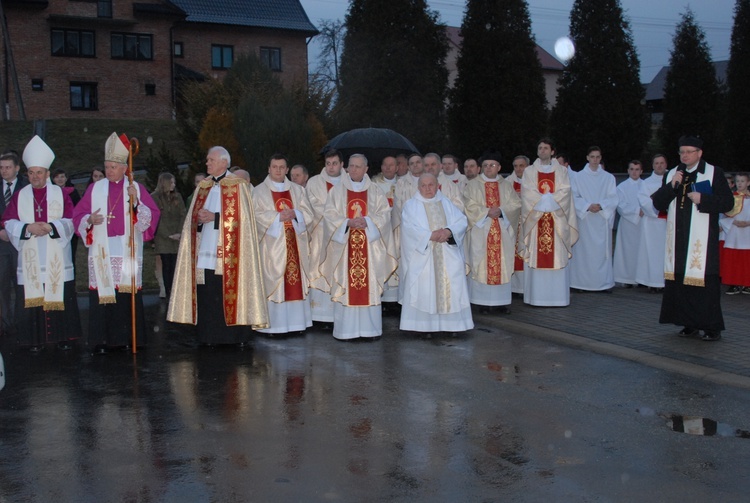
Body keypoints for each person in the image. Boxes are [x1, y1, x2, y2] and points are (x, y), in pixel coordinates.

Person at [168, 146, 269, 346]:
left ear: (224, 162)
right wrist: (198, 220)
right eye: (207, 160)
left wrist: (215, 218)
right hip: (205, 248)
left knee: (226, 293)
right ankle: (209, 337)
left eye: (211, 160)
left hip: (230, 253)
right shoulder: (203, 186)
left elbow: (245, 221)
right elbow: (191, 219)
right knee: (208, 294)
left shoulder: (238, 185)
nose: (207, 163)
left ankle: (233, 338)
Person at [72, 132, 161, 354]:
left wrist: (136, 202)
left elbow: (151, 217)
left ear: (124, 168)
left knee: (126, 294)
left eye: (113, 167)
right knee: (103, 294)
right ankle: (101, 340)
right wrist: (90, 220)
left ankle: (129, 338)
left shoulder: (135, 188)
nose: (109, 171)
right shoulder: (96, 188)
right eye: (107, 166)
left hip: (126, 248)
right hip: (102, 249)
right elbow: (78, 215)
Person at [1, 136, 80, 352]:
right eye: (31, 172)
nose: (35, 177)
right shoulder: (20, 196)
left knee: (60, 293)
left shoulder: (60, 194)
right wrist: (27, 228)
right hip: (31, 257)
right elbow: (7, 220)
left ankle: (64, 337)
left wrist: (52, 227)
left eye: (39, 172)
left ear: (47, 174)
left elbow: (71, 219)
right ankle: (33, 340)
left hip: (55, 253)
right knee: (32, 295)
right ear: (27, 174)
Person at [651, 136, 734, 341]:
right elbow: (659, 203)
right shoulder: (673, 173)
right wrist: (672, 186)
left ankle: (711, 326)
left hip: (702, 241)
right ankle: (689, 323)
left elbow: (727, 203)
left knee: (704, 283)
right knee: (680, 281)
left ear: (699, 153)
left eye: (689, 151)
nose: (685, 155)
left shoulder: (714, 172)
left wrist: (703, 199)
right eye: (682, 151)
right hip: (678, 238)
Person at [320, 154, 396, 341]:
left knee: (368, 286)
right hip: (345, 248)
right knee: (347, 285)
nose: (353, 170)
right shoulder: (337, 191)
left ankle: (370, 331)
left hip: (369, 249)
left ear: (366, 169)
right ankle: (346, 331)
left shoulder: (376, 191)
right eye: (351, 166)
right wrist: (347, 222)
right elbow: (329, 215)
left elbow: (385, 215)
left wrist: (368, 222)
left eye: (357, 166)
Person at [400, 173, 473, 334]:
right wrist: (429, 236)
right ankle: (424, 327)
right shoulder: (411, 206)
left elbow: (461, 221)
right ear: (418, 188)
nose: (427, 188)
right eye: (424, 185)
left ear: (437, 185)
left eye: (431, 185)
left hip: (447, 254)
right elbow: (408, 229)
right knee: (424, 288)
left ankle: (452, 326)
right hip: (423, 257)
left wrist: (449, 231)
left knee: (452, 287)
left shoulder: (446, 202)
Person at [252, 153, 315, 335]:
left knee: (294, 283)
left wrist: (296, 214)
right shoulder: (258, 191)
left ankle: (296, 325)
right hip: (272, 248)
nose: (278, 170)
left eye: (281, 167)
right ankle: (274, 326)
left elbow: (309, 214)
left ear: (287, 170)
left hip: (295, 245)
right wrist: (277, 216)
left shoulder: (297, 190)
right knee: (276, 284)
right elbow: (255, 216)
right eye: (274, 167)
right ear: (269, 168)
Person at [521, 138, 578, 306]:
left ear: (553, 151)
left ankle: (558, 298)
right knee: (536, 255)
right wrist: (547, 201)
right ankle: (535, 298)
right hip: (536, 222)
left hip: (556, 223)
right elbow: (527, 193)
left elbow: (566, 192)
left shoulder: (561, 171)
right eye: (540, 148)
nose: (542, 151)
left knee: (557, 256)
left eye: (546, 148)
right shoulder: (530, 171)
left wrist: (546, 201)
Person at [464, 150, 520, 313]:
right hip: (481, 231)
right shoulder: (473, 185)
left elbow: (516, 204)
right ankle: (480, 302)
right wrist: (486, 212)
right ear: (481, 168)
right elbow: (468, 204)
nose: (489, 168)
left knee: (502, 262)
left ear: (499, 167)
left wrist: (501, 211)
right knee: (481, 262)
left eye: (492, 165)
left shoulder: (506, 186)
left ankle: (501, 302)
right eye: (486, 165)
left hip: (501, 231)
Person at [569, 146, 617, 292]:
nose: (595, 160)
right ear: (587, 158)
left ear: (601, 158)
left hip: (601, 220)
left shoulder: (609, 177)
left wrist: (601, 206)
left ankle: (603, 283)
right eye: (592, 157)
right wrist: (587, 206)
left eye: (597, 157)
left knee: (602, 253)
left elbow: (613, 197)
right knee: (584, 252)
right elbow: (573, 197)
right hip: (585, 220)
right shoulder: (578, 177)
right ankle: (581, 284)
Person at [306, 149, 345, 324]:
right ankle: (319, 315)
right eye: (328, 163)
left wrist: (340, 220)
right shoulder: (314, 182)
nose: (331, 167)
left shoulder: (349, 182)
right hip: (321, 235)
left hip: (342, 236)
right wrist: (335, 217)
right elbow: (311, 205)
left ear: (342, 164)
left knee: (339, 270)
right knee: (319, 269)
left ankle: (339, 312)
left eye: (335, 163)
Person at [0, 150, 28, 336]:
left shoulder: (26, 187)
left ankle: (22, 323)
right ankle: (3, 323)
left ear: (17, 168)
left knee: (22, 285)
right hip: (1, 245)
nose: (4, 171)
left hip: (22, 245)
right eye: (1, 168)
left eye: (8, 167)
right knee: (1, 286)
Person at [635, 154, 669, 292]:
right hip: (653, 224)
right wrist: (659, 211)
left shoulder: (673, 180)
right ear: (653, 165)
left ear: (666, 164)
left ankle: (668, 282)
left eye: (662, 163)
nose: (659, 166)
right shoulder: (646, 183)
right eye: (656, 163)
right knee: (653, 253)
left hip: (669, 223)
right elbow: (643, 200)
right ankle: (654, 282)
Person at [151, 172, 186, 301]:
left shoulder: (177, 197)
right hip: (163, 237)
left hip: (177, 235)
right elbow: (156, 218)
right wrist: (167, 235)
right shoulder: (154, 197)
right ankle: (168, 291)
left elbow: (183, 214)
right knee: (166, 264)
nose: (173, 185)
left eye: (174, 182)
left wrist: (179, 232)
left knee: (175, 264)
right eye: (171, 182)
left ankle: (176, 291)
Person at [371, 155, 400, 304]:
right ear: (381, 168)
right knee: (382, 258)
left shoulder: (404, 184)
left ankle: (396, 299)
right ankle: (384, 298)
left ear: (397, 168)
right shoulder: (373, 185)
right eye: (385, 165)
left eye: (391, 165)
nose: (388, 168)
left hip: (398, 228)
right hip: (382, 229)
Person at [613, 160, 644, 287]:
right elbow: (620, 206)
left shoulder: (645, 185)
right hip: (628, 224)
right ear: (628, 171)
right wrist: (637, 211)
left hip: (643, 224)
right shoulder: (621, 187)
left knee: (642, 251)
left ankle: (641, 278)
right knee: (627, 252)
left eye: (637, 169)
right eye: (632, 169)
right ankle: (626, 278)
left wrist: (645, 210)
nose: (634, 172)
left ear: (641, 171)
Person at [720, 173, 750, 295]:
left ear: (748, 183)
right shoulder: (731, 197)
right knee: (734, 259)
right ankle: (733, 284)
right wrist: (733, 221)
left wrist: (748, 223)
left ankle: (747, 283)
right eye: (737, 181)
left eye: (743, 181)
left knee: (746, 259)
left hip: (748, 231)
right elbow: (724, 214)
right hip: (734, 231)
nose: (739, 183)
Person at [505, 155, 528, 294]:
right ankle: (513, 287)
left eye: (522, 166)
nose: (518, 169)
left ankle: (525, 287)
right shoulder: (507, 182)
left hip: (527, 222)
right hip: (513, 223)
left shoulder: (532, 181)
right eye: (516, 166)